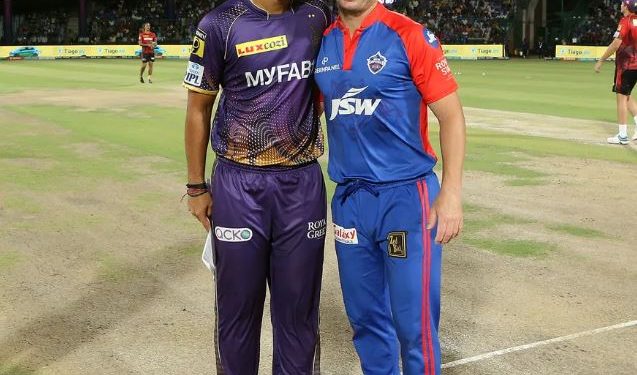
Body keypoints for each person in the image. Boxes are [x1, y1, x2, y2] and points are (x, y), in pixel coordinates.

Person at [314, 0, 466, 374]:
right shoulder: (323, 42)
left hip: (406, 197)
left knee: (414, 326)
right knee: (365, 320)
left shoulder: (410, 35)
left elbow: (452, 117)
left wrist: (450, 193)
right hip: (349, 199)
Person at [182, 0, 331, 373]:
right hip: (239, 185)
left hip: (301, 184)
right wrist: (197, 187)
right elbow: (198, 108)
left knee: (299, 314)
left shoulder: (317, 15)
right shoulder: (220, 24)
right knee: (238, 312)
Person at [595, 0, 637, 144]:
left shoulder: (625, 21)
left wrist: (601, 60)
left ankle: (622, 135)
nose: (620, 5)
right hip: (636, 65)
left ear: (626, 7)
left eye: (622, 4)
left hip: (626, 65)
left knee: (621, 98)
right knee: (627, 96)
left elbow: (616, 43)